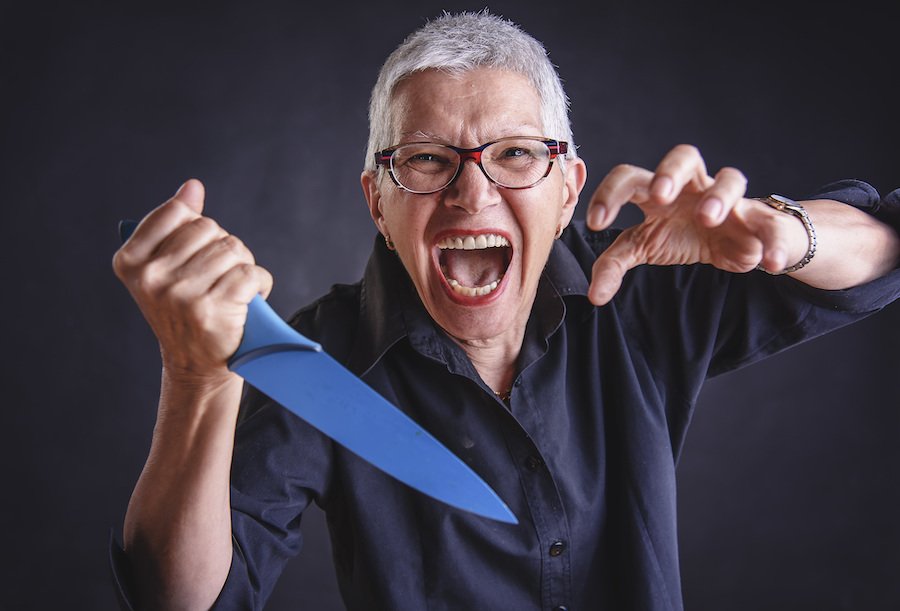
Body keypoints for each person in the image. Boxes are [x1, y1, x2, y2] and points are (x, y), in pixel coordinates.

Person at [111, 11, 900, 611]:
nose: (471, 191)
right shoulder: (311, 362)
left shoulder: (636, 287)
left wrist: (782, 233)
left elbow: (883, 255)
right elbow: (186, 599)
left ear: (566, 190)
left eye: (515, 154)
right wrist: (194, 376)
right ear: (376, 202)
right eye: (424, 159)